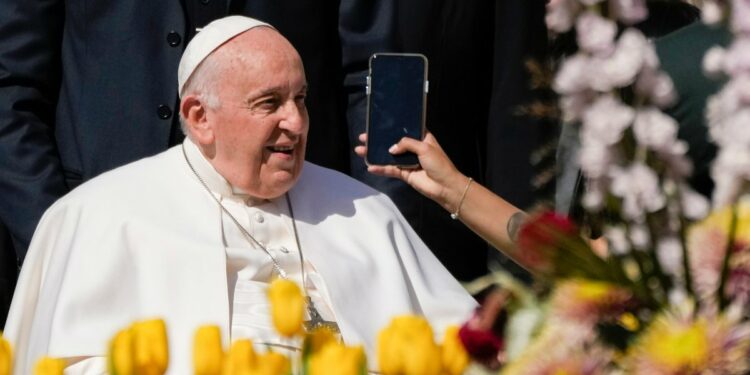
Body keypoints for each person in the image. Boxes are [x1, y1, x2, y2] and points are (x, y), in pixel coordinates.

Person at [3, 16, 476, 374]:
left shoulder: (365, 213)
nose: (295, 121)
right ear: (198, 116)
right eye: (269, 103)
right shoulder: (101, 216)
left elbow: (467, 351)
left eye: (301, 99)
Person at [0, 0, 346, 328]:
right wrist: (60, 238)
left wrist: (355, 243)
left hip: (293, 222)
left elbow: (366, 66)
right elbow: (11, 90)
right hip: (103, 237)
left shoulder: (368, 229)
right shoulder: (79, 232)